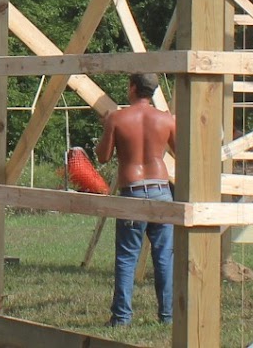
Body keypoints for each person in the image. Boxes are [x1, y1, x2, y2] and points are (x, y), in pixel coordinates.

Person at [96, 73, 176, 326]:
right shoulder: (166, 119)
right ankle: (167, 315)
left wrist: (106, 127)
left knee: (127, 256)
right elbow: (180, 151)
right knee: (164, 256)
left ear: (132, 88)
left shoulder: (117, 118)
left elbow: (103, 156)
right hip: (161, 189)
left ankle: (122, 317)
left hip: (132, 190)